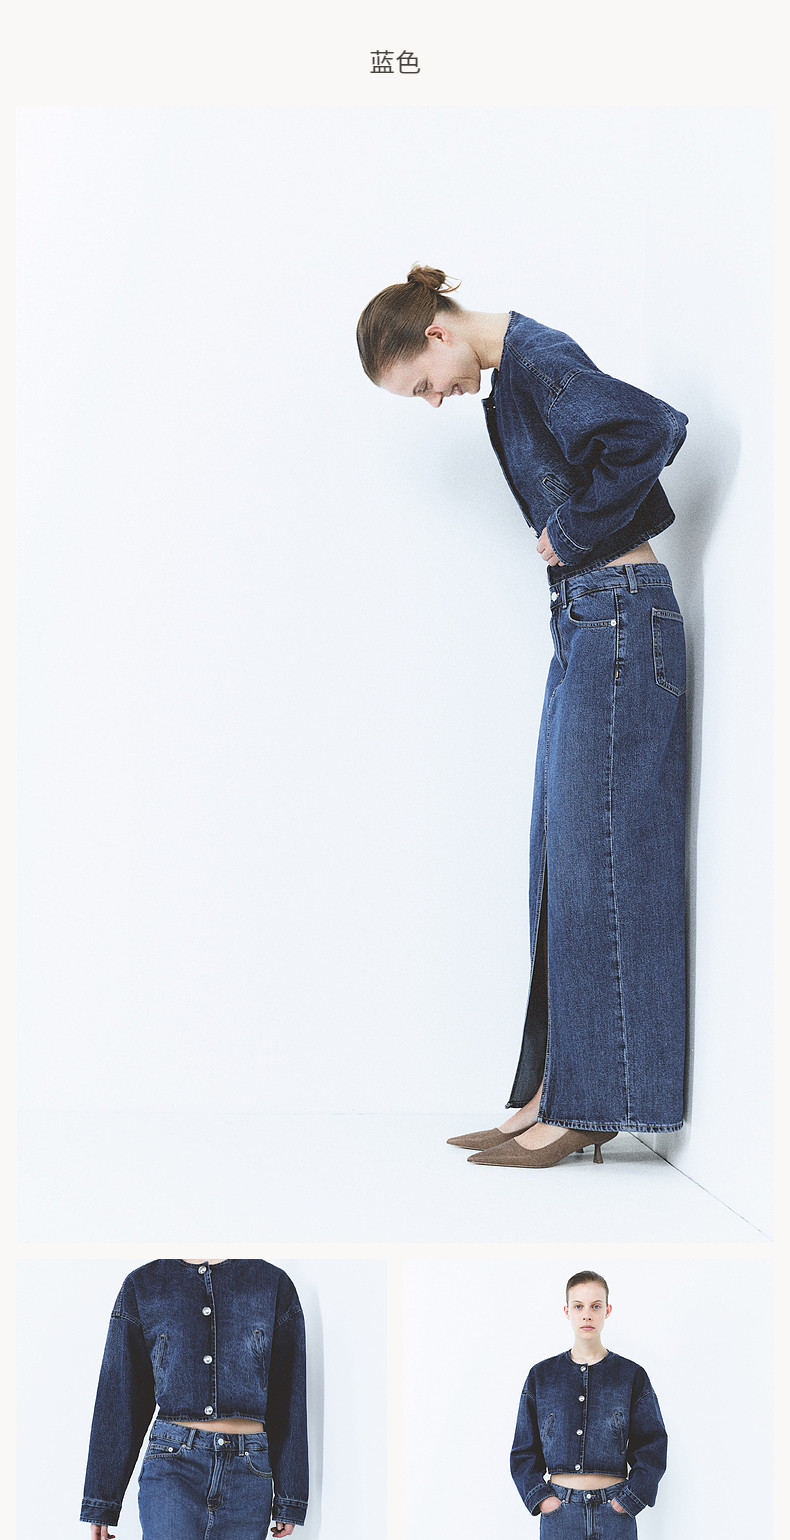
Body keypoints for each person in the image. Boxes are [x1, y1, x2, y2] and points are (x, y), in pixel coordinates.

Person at [357, 267, 688, 1168]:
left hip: (618, 613)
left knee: (598, 860)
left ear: (437, 334)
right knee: (559, 859)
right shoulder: (510, 377)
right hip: (590, 617)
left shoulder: (537, 360)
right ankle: (553, 1088)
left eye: (424, 386)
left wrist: (571, 530)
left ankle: (592, 1102)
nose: (435, 400)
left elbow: (653, 428)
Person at [80, 1258, 309, 1539]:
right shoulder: (144, 1284)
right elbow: (121, 1396)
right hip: (173, 1468)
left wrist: (290, 1496)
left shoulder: (272, 1282)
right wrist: (102, 1501)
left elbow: (288, 1395)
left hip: (249, 1475)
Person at [510, 1270, 667, 1535]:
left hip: (614, 1514)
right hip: (561, 1515)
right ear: (566, 1311)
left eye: (595, 1306)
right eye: (578, 1306)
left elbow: (652, 1445)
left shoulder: (631, 1375)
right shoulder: (542, 1375)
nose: (587, 1315)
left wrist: (629, 1500)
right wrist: (543, 1500)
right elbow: (523, 1450)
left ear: (607, 1310)